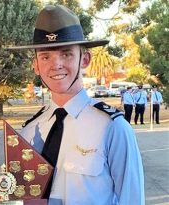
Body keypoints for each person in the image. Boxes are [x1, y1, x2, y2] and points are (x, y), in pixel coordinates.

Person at [11, 5, 144, 204]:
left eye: (66, 54)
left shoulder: (112, 127)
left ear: (85, 59)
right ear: (36, 65)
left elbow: (132, 199)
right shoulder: (29, 132)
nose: (56, 64)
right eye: (45, 56)